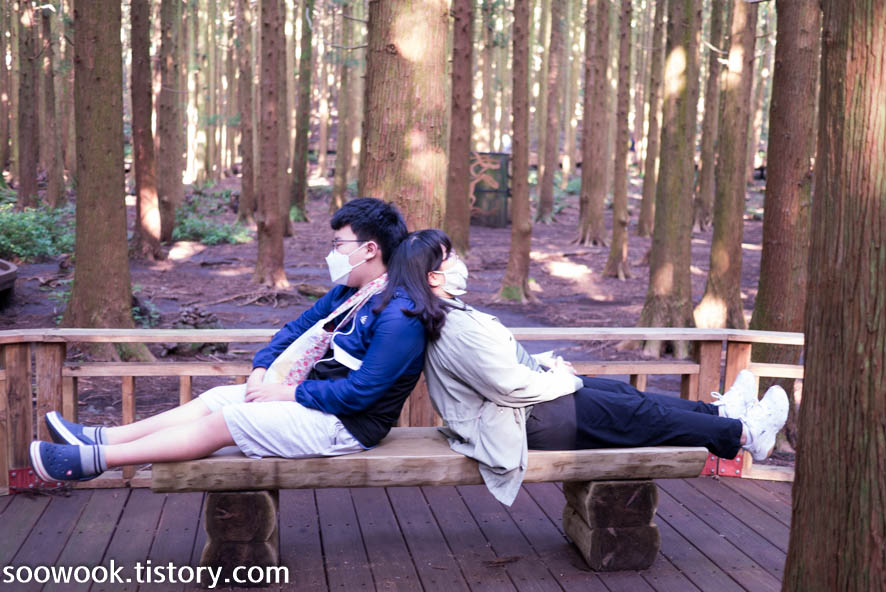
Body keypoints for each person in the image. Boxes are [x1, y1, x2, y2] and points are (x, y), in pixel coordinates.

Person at [379, 229, 789, 506]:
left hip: (525, 411)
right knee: (634, 414)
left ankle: (721, 413)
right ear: (434, 277)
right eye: (451, 257)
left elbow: (495, 367)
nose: (460, 261)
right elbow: (508, 386)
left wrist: (543, 364)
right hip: (522, 422)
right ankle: (746, 433)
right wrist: (558, 379)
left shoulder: (447, 311)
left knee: (623, 395)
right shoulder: (452, 325)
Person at [30, 198, 427, 482]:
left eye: (339, 245)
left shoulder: (399, 314)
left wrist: (285, 394)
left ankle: (97, 460)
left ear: (369, 249)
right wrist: (260, 371)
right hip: (316, 401)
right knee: (221, 397)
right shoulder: (348, 293)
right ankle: (100, 436)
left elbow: (362, 393)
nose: (332, 254)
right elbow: (293, 330)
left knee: (230, 418)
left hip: (348, 426)